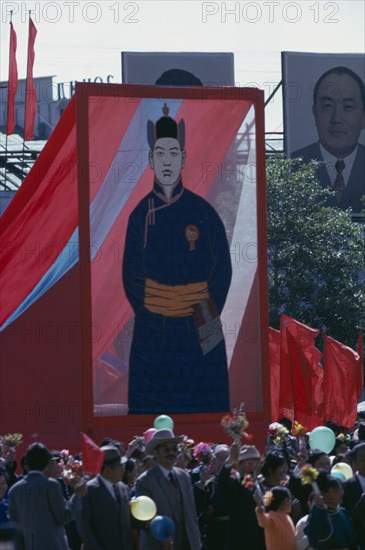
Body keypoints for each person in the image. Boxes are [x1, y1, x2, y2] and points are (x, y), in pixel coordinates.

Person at [123, 103, 232, 413]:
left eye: (173, 153)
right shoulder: (140, 216)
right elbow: (130, 275)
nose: (166, 161)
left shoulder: (204, 213)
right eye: (160, 154)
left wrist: (202, 309)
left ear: (183, 158)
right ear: (150, 160)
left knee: (207, 404)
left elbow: (222, 271)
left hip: (203, 317)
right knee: (151, 406)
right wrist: (155, 308)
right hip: (154, 321)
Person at [292, 66, 365, 213]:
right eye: (327, 106)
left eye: (348, 107)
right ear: (315, 113)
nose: (336, 118)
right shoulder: (293, 166)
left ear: (363, 116)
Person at [8, 442, 86, 550]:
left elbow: (14, 526)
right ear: (46, 463)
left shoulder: (14, 490)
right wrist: (77, 495)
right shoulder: (51, 485)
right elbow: (64, 517)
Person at [135, 428, 201, 550]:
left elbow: (191, 513)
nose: (171, 453)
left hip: (188, 542)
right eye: (166, 449)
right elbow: (145, 516)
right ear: (155, 452)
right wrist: (161, 533)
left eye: (174, 449)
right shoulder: (144, 481)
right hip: (161, 544)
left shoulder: (184, 476)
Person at [78, 445, 133, 550]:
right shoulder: (89, 490)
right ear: (108, 470)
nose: (123, 470)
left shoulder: (123, 488)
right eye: (120, 466)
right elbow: (84, 527)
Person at [218, 444, 266, 550]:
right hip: (240, 540)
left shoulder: (260, 483)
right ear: (239, 465)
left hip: (259, 540)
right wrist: (230, 459)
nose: (253, 466)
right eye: (249, 463)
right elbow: (222, 481)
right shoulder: (235, 483)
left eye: (256, 462)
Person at [305, 472, 358, 550]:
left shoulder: (342, 511)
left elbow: (353, 541)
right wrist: (319, 509)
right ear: (324, 494)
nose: (341, 493)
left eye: (341, 489)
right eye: (336, 491)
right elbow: (315, 540)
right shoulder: (319, 516)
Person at [255, 486, 296, 550]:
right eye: (290, 500)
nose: (291, 503)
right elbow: (263, 522)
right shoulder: (272, 515)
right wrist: (260, 509)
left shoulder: (287, 516)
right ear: (285, 501)